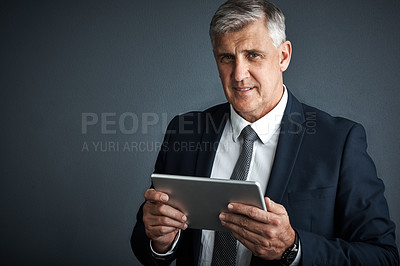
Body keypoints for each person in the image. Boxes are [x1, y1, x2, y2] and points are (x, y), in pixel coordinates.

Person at [131, 0, 399, 265]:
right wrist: (160, 241)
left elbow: (383, 256)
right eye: (227, 58)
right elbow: (146, 241)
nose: (238, 75)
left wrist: (293, 248)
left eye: (253, 55)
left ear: (283, 56)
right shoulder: (184, 132)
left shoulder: (339, 142)